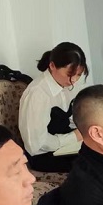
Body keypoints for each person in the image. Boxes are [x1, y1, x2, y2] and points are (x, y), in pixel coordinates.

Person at [18, 42, 89, 173]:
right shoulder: (38, 93)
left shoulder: (67, 84)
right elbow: (35, 145)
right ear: (52, 66)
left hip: (65, 146)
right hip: (44, 155)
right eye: (69, 74)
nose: (74, 80)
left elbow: (71, 118)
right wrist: (73, 137)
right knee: (94, 163)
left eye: (79, 74)